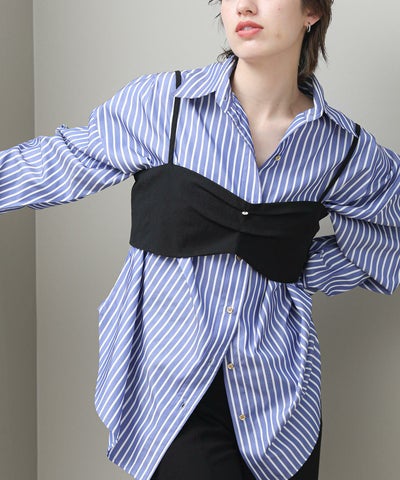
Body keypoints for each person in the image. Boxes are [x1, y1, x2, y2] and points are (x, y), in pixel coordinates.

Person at [1, 0, 399, 479]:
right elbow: (61, 161)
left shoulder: (342, 148)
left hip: (279, 402)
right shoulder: (163, 104)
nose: (245, 5)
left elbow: (385, 245)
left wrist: (292, 262)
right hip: (170, 390)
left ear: (311, 12)